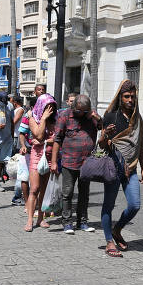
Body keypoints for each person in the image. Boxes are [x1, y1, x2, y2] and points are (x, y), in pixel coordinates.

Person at [99, 80, 143, 257]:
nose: (130, 100)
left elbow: (139, 144)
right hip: (113, 166)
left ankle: (117, 229)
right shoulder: (111, 116)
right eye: (126, 96)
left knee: (135, 205)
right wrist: (105, 135)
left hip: (132, 168)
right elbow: (102, 145)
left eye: (133, 97)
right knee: (108, 205)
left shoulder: (137, 119)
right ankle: (109, 242)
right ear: (120, 98)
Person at [51, 94, 99, 234]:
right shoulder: (65, 116)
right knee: (68, 193)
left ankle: (82, 222)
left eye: (84, 111)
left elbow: (104, 127)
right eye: (79, 110)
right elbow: (57, 139)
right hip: (69, 161)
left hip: (87, 163)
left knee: (84, 194)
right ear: (73, 107)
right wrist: (54, 161)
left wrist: (95, 117)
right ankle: (67, 222)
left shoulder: (91, 116)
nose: (81, 113)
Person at [25, 93, 57, 231]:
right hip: (37, 156)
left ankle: (41, 218)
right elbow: (37, 134)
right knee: (34, 189)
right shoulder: (33, 117)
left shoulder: (55, 120)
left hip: (51, 157)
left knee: (44, 190)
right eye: (47, 107)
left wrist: (44, 141)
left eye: (52, 107)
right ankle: (30, 220)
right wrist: (43, 118)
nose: (50, 110)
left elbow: (57, 138)